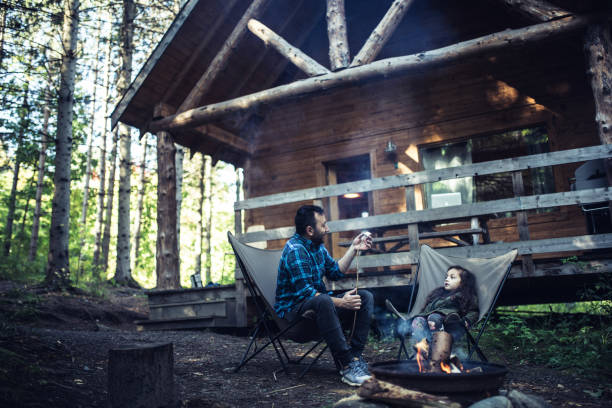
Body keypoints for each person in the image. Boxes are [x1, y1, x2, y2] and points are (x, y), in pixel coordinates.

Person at [274, 205, 374, 386]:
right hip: (295, 319)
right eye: (324, 225)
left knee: (365, 297)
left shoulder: (317, 247)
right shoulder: (296, 250)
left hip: (319, 309)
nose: (327, 229)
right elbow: (306, 293)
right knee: (322, 300)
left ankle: (355, 358)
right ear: (310, 230)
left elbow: (335, 271)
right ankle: (346, 365)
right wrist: (342, 303)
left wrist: (354, 248)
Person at [411, 265, 479, 343]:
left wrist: (467, 320)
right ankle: (421, 348)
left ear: (463, 282)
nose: (447, 279)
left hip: (448, 321)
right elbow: (427, 308)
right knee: (418, 320)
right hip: (427, 319)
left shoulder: (464, 295)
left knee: (434, 318)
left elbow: (474, 311)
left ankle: (437, 344)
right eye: (446, 277)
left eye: (452, 277)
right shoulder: (438, 294)